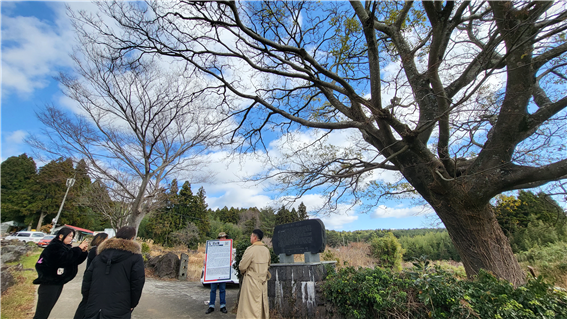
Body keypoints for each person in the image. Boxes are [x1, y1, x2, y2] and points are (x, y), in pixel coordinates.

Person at [82, 226, 145, 319]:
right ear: (132, 238)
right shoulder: (135, 257)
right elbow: (137, 282)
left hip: (95, 305)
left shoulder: (101, 254)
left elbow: (87, 278)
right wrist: (133, 303)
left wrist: (87, 298)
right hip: (120, 306)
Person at [33, 227, 89, 319]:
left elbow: (73, 261)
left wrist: (82, 252)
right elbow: (63, 259)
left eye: (72, 236)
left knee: (45, 312)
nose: (71, 238)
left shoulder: (65, 247)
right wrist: (78, 249)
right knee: (42, 313)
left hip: (57, 283)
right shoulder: (54, 247)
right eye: (70, 236)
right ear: (61, 236)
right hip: (49, 284)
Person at [236, 229, 271, 319]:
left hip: (251, 282)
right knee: (261, 306)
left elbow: (242, 267)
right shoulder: (266, 250)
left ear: (255, 237)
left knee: (250, 308)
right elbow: (268, 265)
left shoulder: (251, 250)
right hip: (263, 282)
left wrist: (246, 273)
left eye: (251, 236)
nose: (250, 238)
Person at [73, 232, 109, 319]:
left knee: (87, 302)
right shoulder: (96, 250)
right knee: (86, 302)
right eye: (106, 239)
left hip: (91, 277)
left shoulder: (95, 250)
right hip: (92, 279)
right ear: (101, 240)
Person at [205, 232, 229, 314]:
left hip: (223, 271)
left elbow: (231, 258)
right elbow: (209, 257)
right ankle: (211, 305)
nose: (223, 239)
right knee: (213, 289)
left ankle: (223, 305)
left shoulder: (228, 247)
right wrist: (206, 262)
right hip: (214, 271)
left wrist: (230, 260)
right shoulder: (213, 247)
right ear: (218, 239)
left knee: (222, 289)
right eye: (221, 238)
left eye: (224, 237)